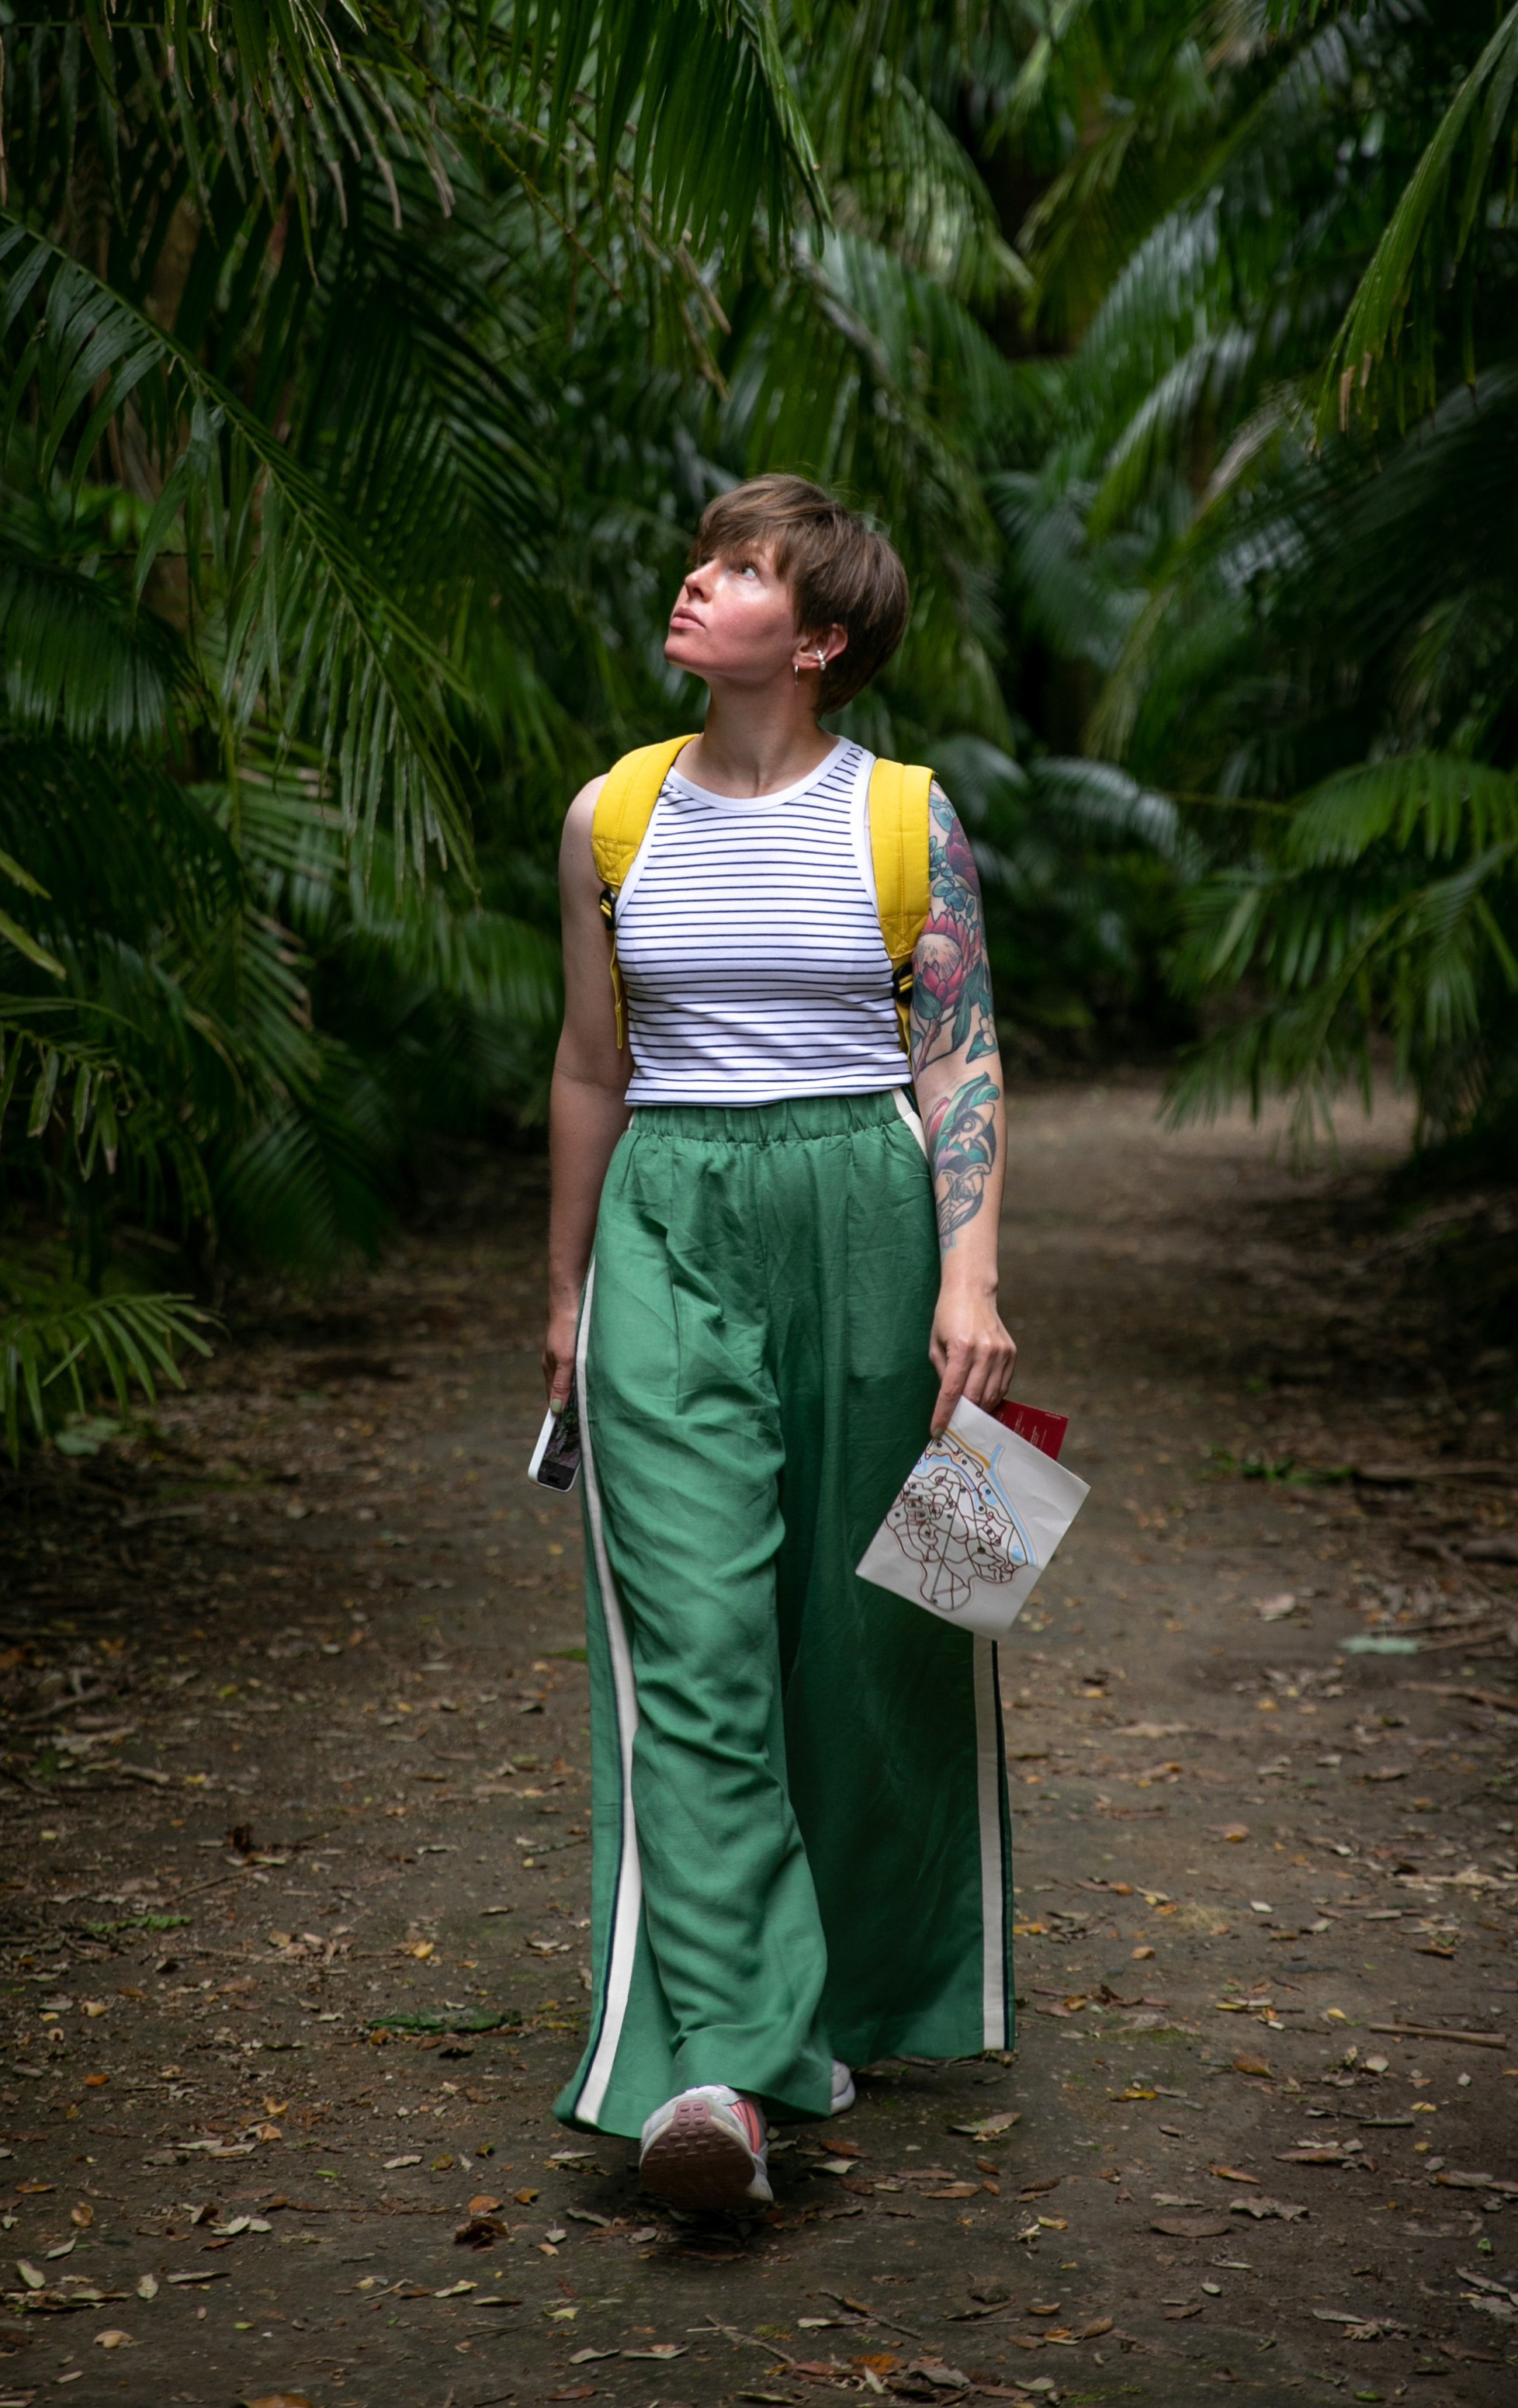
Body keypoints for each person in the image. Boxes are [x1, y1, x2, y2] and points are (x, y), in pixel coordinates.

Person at [543, 474, 1017, 2212]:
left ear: (814, 640)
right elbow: (591, 1067)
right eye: (706, 555)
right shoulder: (610, 813)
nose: (697, 580)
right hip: (668, 1225)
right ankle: (726, 2074)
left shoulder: (904, 816)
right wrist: (562, 1295)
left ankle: (876, 1991)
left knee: (889, 1627)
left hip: (868, 1223)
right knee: (696, 1641)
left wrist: (966, 1277)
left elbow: (955, 1057)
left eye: (741, 573)